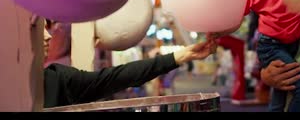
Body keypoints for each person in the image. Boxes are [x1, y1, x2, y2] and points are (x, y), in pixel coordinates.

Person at [43, 27, 217, 108]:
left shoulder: (57, 79)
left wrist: (182, 56)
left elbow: (120, 76)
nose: (47, 36)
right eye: (39, 27)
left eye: (47, 27)